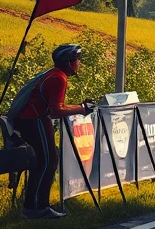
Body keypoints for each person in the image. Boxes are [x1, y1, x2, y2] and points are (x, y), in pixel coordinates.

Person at [8, 44, 94, 219]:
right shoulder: (58, 78)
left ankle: (35, 206)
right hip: (35, 121)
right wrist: (81, 109)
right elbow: (56, 111)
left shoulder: (54, 74)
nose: (79, 63)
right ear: (69, 63)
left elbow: (56, 107)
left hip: (34, 120)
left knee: (46, 161)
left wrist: (80, 107)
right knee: (46, 162)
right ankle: (37, 208)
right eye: (77, 60)